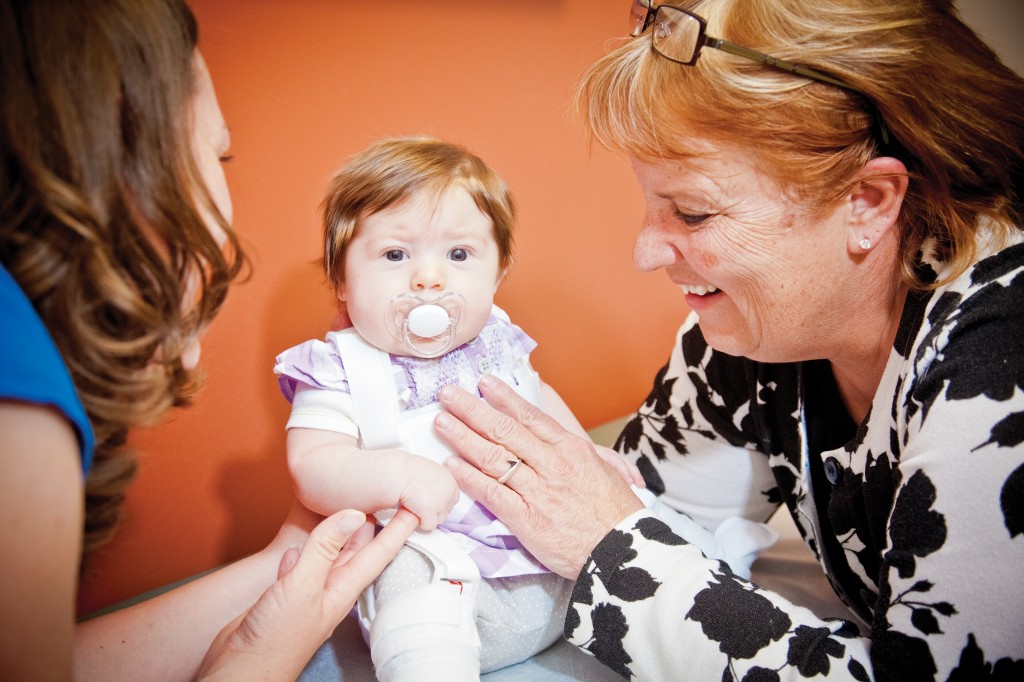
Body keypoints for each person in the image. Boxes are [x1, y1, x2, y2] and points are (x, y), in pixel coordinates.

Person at [432, 0, 1024, 680]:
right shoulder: (746, 338)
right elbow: (648, 517)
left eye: (692, 211)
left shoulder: (999, 361)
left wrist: (610, 550)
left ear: (868, 202)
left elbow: (614, 542)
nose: (645, 251)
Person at [0, 1, 415, 679]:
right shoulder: (18, 397)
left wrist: (281, 562)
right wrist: (252, 668)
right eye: (217, 150)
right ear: (125, 157)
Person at [274, 135, 694, 680]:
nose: (429, 278)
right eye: (395, 255)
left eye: (458, 255)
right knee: (407, 573)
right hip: (441, 568)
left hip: (548, 551)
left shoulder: (498, 343)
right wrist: (395, 475)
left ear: (497, 276)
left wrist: (587, 454)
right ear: (341, 283)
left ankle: (706, 581)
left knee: (637, 523)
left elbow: (538, 404)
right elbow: (312, 465)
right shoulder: (337, 368)